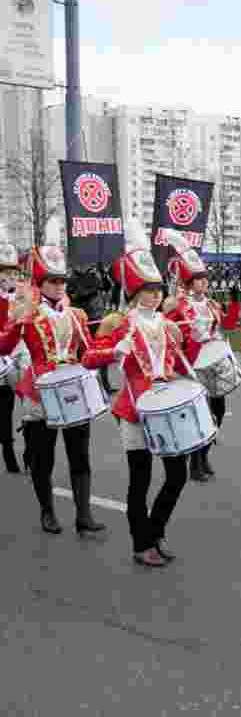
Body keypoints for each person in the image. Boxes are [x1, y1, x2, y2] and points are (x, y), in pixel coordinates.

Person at [84, 221, 190, 567]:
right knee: (140, 480)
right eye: (147, 288)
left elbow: (170, 363)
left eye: (157, 287)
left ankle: (155, 529)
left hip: (165, 406)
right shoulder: (120, 323)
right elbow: (88, 358)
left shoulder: (166, 323)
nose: (155, 294)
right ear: (133, 290)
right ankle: (141, 543)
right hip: (134, 408)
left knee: (178, 474)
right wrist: (115, 352)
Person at [0, 217, 105, 535]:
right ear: (40, 283)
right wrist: (15, 323)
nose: (60, 286)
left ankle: (83, 515)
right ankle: (47, 511)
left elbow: (88, 353)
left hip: (73, 388)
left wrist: (112, 351)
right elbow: (3, 346)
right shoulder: (28, 314)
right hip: (41, 392)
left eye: (62, 281)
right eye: (53, 282)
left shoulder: (78, 314)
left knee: (80, 455)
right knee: (43, 458)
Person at [162, 233, 240, 481]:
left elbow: (227, 324)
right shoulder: (177, 307)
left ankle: (204, 456)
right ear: (188, 281)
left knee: (217, 412)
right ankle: (195, 463)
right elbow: (167, 333)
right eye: (198, 279)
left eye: (205, 278)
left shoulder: (212, 304)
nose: (204, 282)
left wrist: (235, 303)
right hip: (191, 367)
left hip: (213, 365)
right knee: (199, 415)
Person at [0, 228, 25, 473]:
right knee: (4, 410)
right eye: (6, 272)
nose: (10, 277)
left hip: (22, 354)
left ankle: (31, 452)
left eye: (13, 272)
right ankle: (8, 452)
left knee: (30, 407)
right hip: (1, 358)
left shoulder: (23, 296)